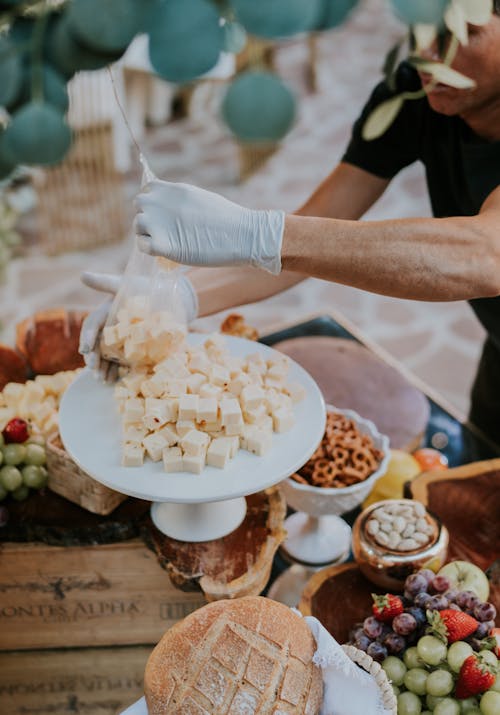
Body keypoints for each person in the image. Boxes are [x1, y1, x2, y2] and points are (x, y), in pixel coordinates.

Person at [80, 9, 500, 444]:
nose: (429, 52)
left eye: (465, 32)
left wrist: (257, 232)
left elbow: (484, 256)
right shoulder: (415, 95)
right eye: (426, 27)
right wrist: (174, 299)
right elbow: (313, 234)